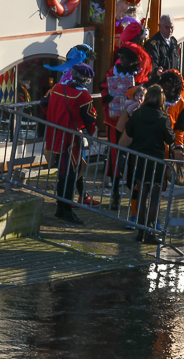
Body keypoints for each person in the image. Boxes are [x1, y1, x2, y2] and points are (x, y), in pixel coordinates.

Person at [101, 22, 153, 198]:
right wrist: (106, 97)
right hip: (115, 120)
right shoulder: (113, 71)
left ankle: (134, 195)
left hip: (134, 121)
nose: (120, 59)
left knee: (133, 156)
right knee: (115, 154)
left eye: (124, 56)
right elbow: (104, 87)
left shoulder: (140, 78)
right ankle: (115, 192)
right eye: (120, 56)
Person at [40, 63, 96, 225]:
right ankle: (66, 211)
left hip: (54, 134)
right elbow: (90, 120)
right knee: (70, 174)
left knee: (63, 172)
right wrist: (89, 132)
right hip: (71, 139)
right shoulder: (84, 96)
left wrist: (53, 118)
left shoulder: (57, 88)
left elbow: (43, 104)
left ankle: (60, 208)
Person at [118, 84, 174, 245]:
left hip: (139, 158)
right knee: (155, 197)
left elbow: (129, 131)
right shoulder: (163, 118)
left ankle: (140, 230)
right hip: (156, 160)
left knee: (142, 194)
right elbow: (169, 139)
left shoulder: (137, 114)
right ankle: (150, 230)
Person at [144, 14, 179, 81]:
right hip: (160, 82)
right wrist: (157, 71)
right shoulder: (152, 44)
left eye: (172, 28)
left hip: (172, 82)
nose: (170, 31)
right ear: (160, 26)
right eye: (167, 27)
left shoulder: (173, 41)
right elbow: (152, 65)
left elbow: (176, 63)